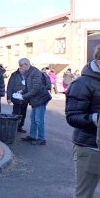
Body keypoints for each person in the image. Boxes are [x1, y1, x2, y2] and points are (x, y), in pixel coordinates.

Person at [65, 45, 100, 198]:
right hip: (90, 148)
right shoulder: (82, 83)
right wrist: (96, 118)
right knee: (84, 195)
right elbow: (72, 116)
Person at [19, 58, 52, 145]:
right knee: (33, 119)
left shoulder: (35, 73)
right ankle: (32, 136)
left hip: (40, 99)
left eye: (21, 66)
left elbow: (36, 89)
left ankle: (42, 139)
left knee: (38, 120)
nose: (20, 68)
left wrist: (24, 96)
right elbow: (28, 87)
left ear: (26, 64)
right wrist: (22, 91)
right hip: (35, 100)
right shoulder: (29, 73)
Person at [7, 66, 28, 133]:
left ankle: (20, 126)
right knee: (16, 113)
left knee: (23, 113)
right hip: (16, 97)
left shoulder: (27, 74)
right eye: (21, 68)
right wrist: (9, 97)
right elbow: (10, 86)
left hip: (24, 97)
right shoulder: (14, 75)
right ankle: (13, 126)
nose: (22, 70)